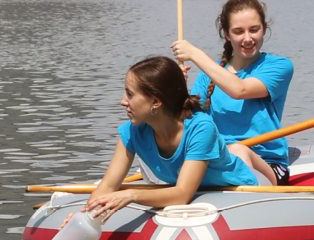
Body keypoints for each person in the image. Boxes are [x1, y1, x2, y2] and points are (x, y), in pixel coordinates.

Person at [84, 56, 272, 219]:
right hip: (201, 194)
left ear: (156, 102)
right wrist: (84, 215)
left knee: (240, 154)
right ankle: (241, 152)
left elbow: (181, 194)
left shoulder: (201, 128)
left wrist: (131, 195)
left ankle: (262, 166)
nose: (123, 101)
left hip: (240, 191)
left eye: (130, 94)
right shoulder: (131, 133)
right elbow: (108, 184)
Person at [170, 0, 293, 185]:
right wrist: (176, 87)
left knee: (238, 150)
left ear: (264, 30)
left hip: (266, 164)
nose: (247, 38)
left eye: (254, 30)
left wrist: (195, 54)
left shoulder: (279, 66)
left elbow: (240, 90)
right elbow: (186, 119)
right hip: (217, 159)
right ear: (227, 34)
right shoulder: (208, 75)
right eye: (238, 31)